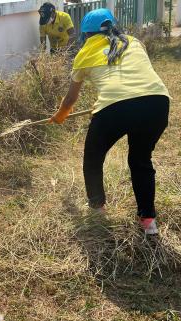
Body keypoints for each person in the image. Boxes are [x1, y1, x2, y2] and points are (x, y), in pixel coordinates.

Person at [49, 8, 170, 235]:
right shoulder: (133, 42)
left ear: (86, 35)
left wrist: (60, 116)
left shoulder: (84, 53)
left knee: (93, 159)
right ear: (114, 27)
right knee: (141, 160)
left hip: (115, 108)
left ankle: (98, 211)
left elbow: (70, 98)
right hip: (157, 103)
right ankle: (148, 222)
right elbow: (132, 77)